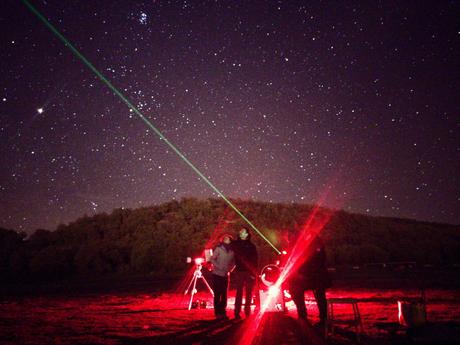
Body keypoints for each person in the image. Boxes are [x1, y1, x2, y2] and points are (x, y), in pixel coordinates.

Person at [288, 234, 331, 325]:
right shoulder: (310, 244)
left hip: (318, 277)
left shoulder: (315, 246)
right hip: (312, 277)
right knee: (295, 287)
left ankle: (319, 318)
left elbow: (315, 264)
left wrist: (302, 274)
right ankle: (304, 315)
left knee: (319, 294)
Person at [231, 228, 258, 319]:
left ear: (247, 234)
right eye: (240, 231)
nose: (240, 232)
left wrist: (254, 273)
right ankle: (237, 313)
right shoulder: (235, 244)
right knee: (239, 292)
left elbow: (255, 260)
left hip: (249, 272)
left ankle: (247, 312)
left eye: (243, 231)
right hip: (239, 271)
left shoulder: (251, 246)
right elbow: (228, 244)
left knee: (249, 293)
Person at [210, 234, 235, 320]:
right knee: (217, 294)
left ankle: (223, 312)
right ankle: (218, 313)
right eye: (224, 238)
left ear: (230, 240)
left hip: (225, 275)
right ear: (222, 240)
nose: (226, 239)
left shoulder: (232, 251)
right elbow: (212, 259)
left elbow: (234, 262)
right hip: (217, 274)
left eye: (228, 238)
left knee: (224, 294)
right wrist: (218, 266)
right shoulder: (219, 249)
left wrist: (230, 269)